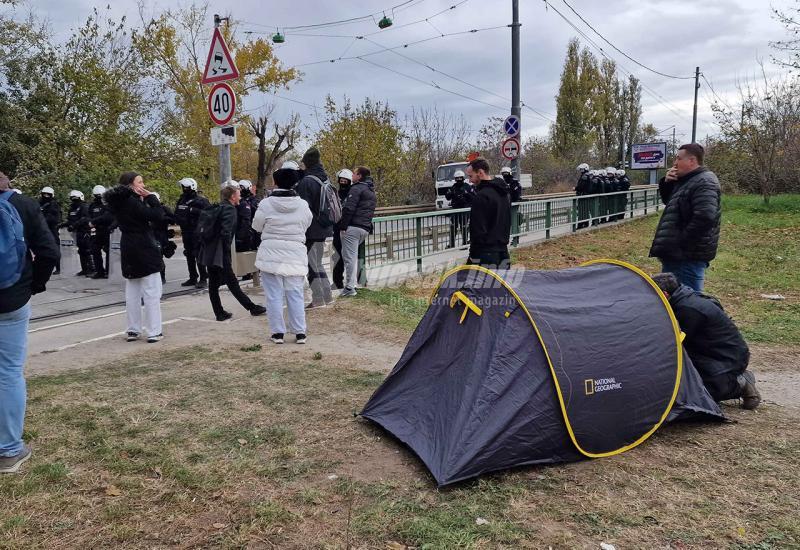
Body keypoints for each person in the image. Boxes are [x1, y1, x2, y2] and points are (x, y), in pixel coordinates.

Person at [0, 171, 59, 474]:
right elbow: (49, 252)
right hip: (11, 299)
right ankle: (9, 450)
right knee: (8, 371)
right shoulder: (23, 205)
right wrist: (34, 284)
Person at [652, 272, 760, 409]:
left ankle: (741, 383)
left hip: (727, 357)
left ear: (665, 294)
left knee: (698, 395)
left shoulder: (688, 309)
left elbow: (676, 343)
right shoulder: (683, 298)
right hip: (706, 351)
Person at [252, 166, 313, 344]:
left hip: (271, 252)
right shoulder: (302, 205)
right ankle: (300, 332)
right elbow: (307, 223)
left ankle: (277, 333)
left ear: (275, 182)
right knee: (295, 293)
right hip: (295, 252)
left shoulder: (265, 204)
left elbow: (256, 226)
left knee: (274, 295)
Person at [104, 172, 166, 343]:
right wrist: (152, 198)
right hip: (142, 245)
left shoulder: (118, 202)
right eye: (140, 182)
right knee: (151, 291)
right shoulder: (132, 202)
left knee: (132, 290)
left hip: (128, 246)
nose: (143, 184)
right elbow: (157, 215)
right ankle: (154, 331)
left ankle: (134, 329)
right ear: (131, 185)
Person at [649, 143, 721, 292]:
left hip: (686, 257)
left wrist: (680, 245)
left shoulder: (704, 182)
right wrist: (667, 183)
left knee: (688, 302)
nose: (675, 163)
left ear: (692, 161)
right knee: (674, 299)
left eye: (678, 158)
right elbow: (672, 204)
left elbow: (705, 218)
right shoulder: (688, 180)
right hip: (678, 256)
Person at [198, 185, 266, 321]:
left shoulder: (218, 207)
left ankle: (219, 312)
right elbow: (226, 232)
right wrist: (227, 249)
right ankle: (251, 308)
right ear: (233, 197)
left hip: (211, 249)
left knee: (213, 283)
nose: (240, 197)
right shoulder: (230, 209)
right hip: (221, 251)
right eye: (238, 194)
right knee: (231, 281)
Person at [295, 146, 335, 308]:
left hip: (311, 230)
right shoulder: (324, 179)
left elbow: (303, 209)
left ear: (307, 163)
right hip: (324, 228)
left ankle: (318, 298)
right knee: (317, 263)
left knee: (311, 264)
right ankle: (327, 295)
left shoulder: (306, 182)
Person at [337, 166, 377, 297]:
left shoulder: (356, 188)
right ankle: (352, 284)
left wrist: (342, 226)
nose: (352, 176)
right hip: (364, 228)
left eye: (354, 174)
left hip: (353, 228)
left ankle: (349, 287)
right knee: (352, 257)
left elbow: (349, 208)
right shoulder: (371, 191)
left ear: (359, 176)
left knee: (349, 258)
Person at [465, 158, 511, 268]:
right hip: (503, 252)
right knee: (502, 284)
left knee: (482, 284)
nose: (470, 181)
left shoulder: (481, 196)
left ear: (480, 173)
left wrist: (472, 255)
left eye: (471, 176)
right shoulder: (504, 193)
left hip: (485, 254)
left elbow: (478, 230)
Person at [174, 177, 210, 289]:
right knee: (189, 254)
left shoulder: (201, 200)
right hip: (186, 231)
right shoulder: (181, 200)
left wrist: (192, 210)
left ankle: (203, 278)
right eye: (183, 187)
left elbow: (209, 214)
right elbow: (177, 213)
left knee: (198, 254)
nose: (184, 189)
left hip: (197, 232)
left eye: (186, 187)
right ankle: (193, 277)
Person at [61, 190, 94, 276]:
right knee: (81, 251)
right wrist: (62, 225)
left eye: (76, 199)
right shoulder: (72, 208)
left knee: (87, 250)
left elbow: (85, 219)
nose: (74, 201)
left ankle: (91, 269)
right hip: (76, 232)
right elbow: (70, 220)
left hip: (84, 231)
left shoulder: (84, 207)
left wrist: (74, 225)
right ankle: (84, 269)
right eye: (73, 199)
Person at [331, 168, 354, 290]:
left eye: (346, 181)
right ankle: (337, 281)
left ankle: (353, 282)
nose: (343, 183)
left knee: (350, 256)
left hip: (349, 228)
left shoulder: (352, 194)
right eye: (342, 180)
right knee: (337, 256)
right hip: (337, 229)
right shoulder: (335, 194)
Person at [87, 185, 114, 279]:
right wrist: (91, 223)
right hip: (95, 230)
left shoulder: (108, 205)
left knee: (108, 251)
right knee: (95, 250)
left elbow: (108, 217)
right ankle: (99, 271)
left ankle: (108, 271)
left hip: (106, 230)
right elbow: (88, 216)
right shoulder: (92, 205)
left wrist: (94, 221)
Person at [150, 193, 176, 284]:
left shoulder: (164, 209)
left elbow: (173, 219)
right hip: (149, 236)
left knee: (159, 257)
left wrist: (164, 218)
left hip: (161, 236)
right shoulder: (146, 209)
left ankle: (162, 277)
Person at [445, 169, 475, 247]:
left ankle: (464, 243)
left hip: (464, 210)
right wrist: (450, 193)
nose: (458, 180)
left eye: (460, 178)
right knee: (453, 226)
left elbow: (473, 197)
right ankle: (451, 244)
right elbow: (447, 197)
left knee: (464, 226)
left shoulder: (467, 186)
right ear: (455, 179)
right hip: (455, 210)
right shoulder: (453, 187)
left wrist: (466, 194)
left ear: (463, 178)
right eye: (457, 178)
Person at [39, 186, 61, 274]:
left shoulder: (54, 205)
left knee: (55, 248)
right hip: (41, 230)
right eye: (44, 194)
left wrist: (44, 219)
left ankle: (58, 267)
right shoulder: (39, 204)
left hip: (52, 229)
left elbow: (55, 218)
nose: (46, 196)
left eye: (48, 195)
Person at [574, 163, 591, 229]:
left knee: (582, 211)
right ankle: (585, 223)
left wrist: (576, 188)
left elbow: (581, 186)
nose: (581, 170)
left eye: (582, 169)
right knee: (585, 210)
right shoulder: (587, 175)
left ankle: (580, 225)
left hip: (583, 195)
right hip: (585, 195)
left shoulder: (585, 176)